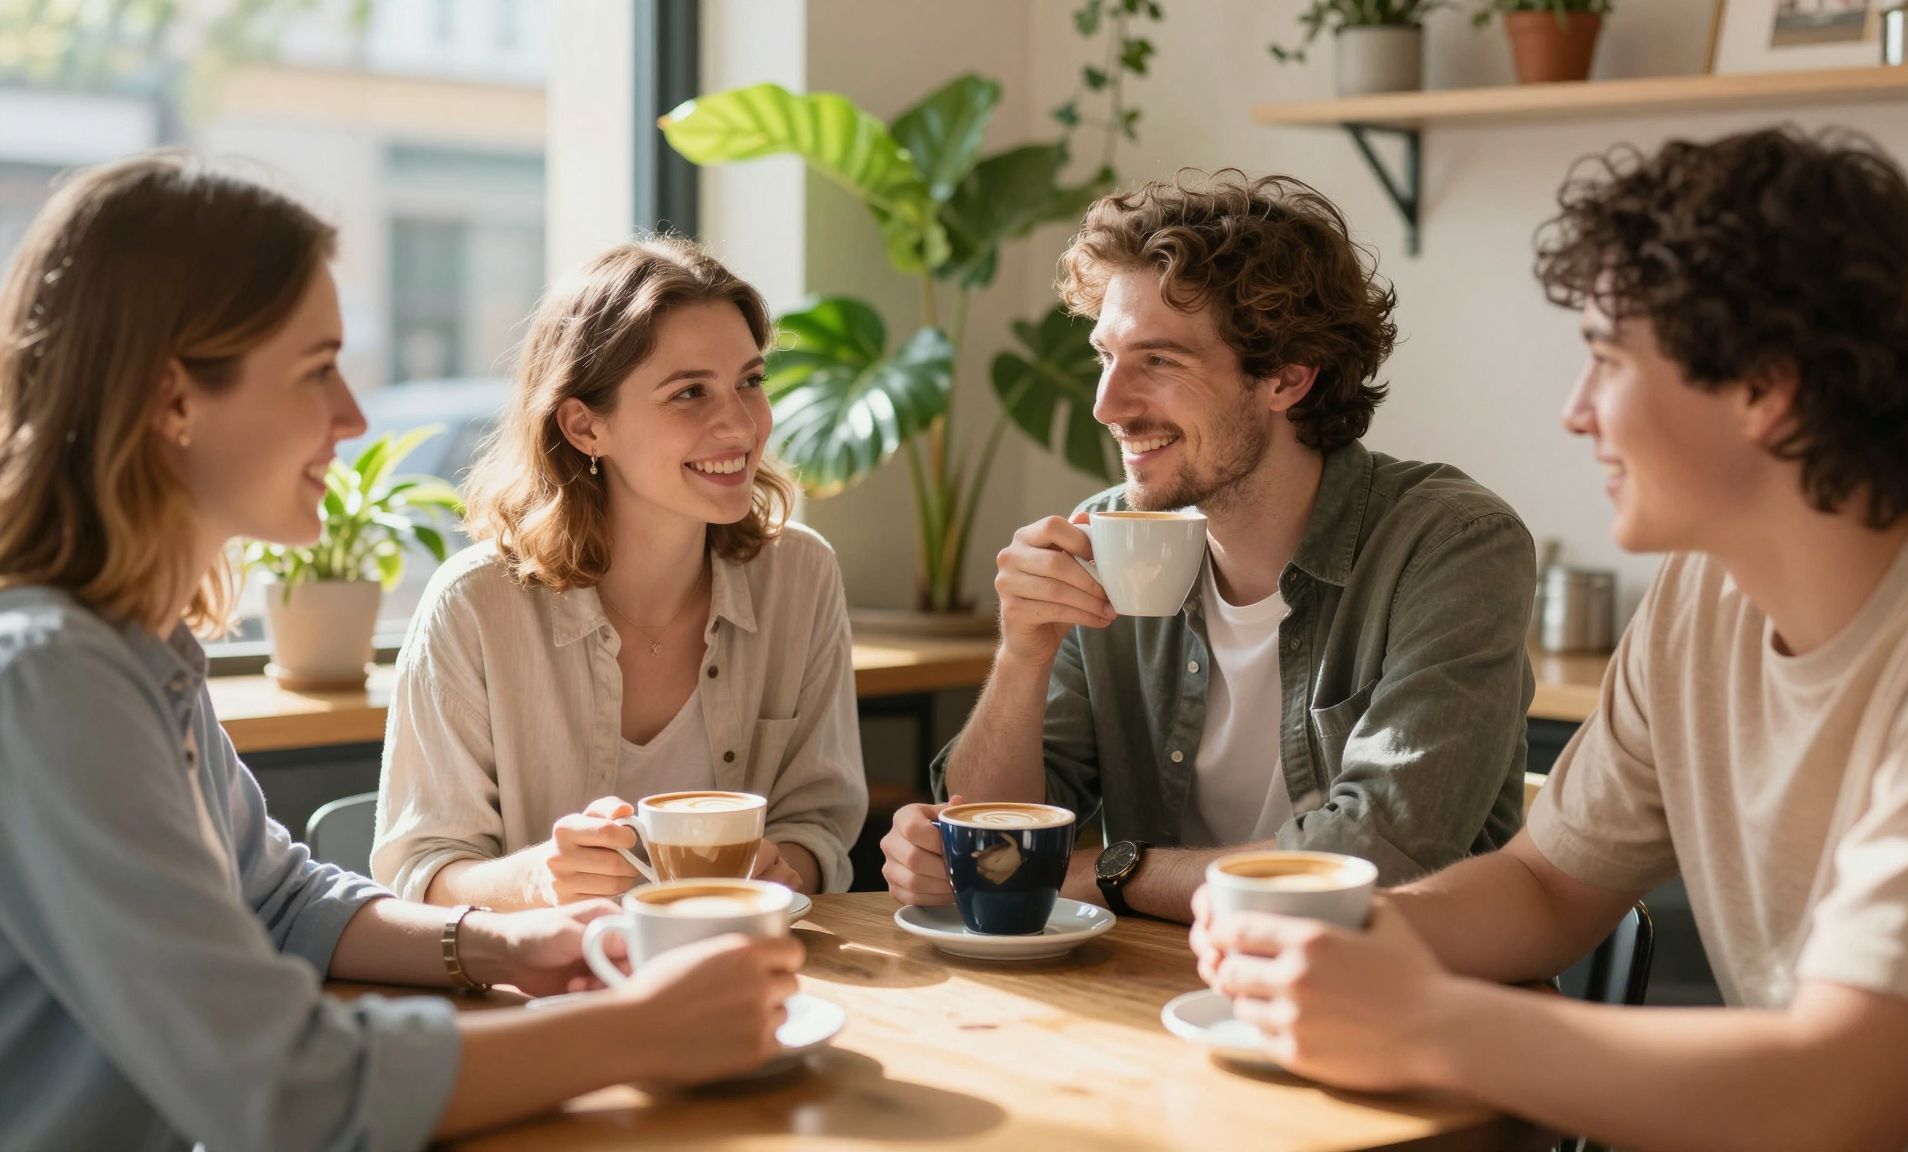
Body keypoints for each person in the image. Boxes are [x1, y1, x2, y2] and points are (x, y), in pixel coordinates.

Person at [1194, 128, 1908, 1151]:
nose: (1575, 412)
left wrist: (1424, 1020)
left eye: (1605, 360)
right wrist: (1348, 933)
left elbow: (1842, 1094)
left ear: (1764, 388)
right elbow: (1546, 886)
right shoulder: (1705, 591)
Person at [0, 154, 803, 1152]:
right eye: (316, 370)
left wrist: (509, 944)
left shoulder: (137, 649)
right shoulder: (50, 681)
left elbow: (280, 900)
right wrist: (639, 1032)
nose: (351, 414)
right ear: (174, 401)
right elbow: (281, 1089)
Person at [881, 172, 1537, 923]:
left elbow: (1377, 856)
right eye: (1105, 356)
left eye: (1159, 361)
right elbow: (993, 839)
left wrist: (1114, 873)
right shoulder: (1107, 537)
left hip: (1396, 986)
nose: (1107, 405)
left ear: (1287, 377)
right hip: (1158, 978)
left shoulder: (1450, 545)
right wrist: (1021, 657)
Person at [371, 237, 866, 907]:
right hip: (558, 972)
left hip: (750, 957)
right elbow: (420, 873)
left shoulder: (801, 576)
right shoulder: (473, 605)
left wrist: (786, 867)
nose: (740, 424)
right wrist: (538, 879)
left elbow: (819, 824)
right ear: (584, 427)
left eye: (750, 382)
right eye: (689, 392)